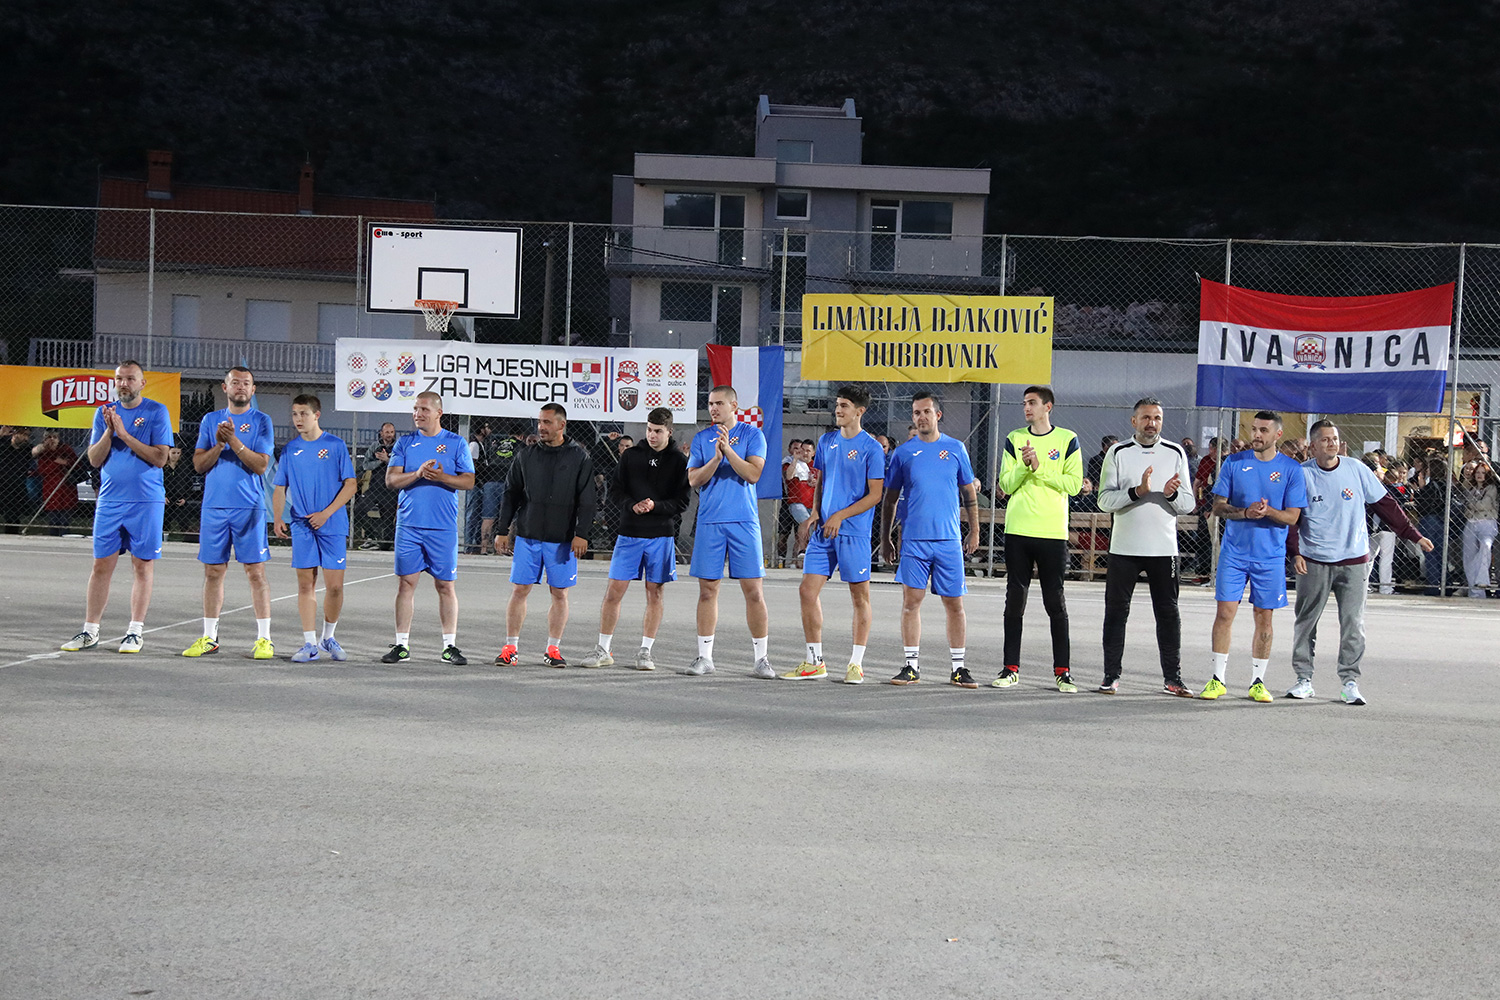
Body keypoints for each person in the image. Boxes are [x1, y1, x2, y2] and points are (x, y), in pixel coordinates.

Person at [1285, 421, 1432, 706]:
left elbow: (1386, 505)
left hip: (1354, 560)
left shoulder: (1356, 469)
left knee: (1353, 623)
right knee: (1306, 621)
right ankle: (1304, 679)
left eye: (1335, 438)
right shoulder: (1301, 475)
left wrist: (1413, 535)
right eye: (1325, 439)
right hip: (1314, 560)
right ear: (1312, 446)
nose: (1332, 443)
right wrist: (1295, 553)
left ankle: (1349, 681)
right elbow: (1292, 518)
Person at [60, 362, 173, 653]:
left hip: (145, 501)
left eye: (130, 379)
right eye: (119, 378)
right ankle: (90, 631)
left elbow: (160, 458)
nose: (123, 383)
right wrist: (109, 432)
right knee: (100, 565)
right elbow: (94, 459)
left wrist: (124, 434)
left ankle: (134, 632)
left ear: (142, 383)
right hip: (110, 501)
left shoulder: (156, 411)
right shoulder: (104, 412)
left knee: (142, 565)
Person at [780, 386, 885, 684]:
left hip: (853, 532)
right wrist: (816, 512)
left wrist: (840, 515)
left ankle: (856, 664)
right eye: (837, 404)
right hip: (824, 531)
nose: (838, 410)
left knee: (859, 596)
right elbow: (822, 481)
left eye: (844, 405)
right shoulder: (827, 441)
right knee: (807, 591)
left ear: (859, 411)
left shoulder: (871, 448)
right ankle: (815, 661)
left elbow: (875, 494)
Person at [1201, 411, 1307, 701]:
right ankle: (1217, 679)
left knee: (1264, 617)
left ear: (1278, 435)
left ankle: (1258, 682)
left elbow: (1293, 517)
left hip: (1270, 557)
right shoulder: (1234, 463)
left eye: (1263, 430)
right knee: (1225, 613)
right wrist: (1245, 512)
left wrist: (1268, 511)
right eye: (1254, 429)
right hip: (1234, 554)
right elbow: (1218, 506)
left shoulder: (1291, 469)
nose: (1257, 435)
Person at [1095, 397, 1196, 697]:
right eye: (1146, 417)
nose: (1152, 423)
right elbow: (1104, 501)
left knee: (1168, 614)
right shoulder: (1118, 452)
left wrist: (1171, 495)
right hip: (1124, 548)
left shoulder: (1175, 452)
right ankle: (1110, 676)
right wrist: (1136, 492)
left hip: (1163, 550)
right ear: (1134, 421)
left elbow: (1188, 504)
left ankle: (1173, 679)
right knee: (1116, 612)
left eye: (1157, 418)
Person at [880, 391, 980, 687]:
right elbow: (890, 500)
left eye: (926, 411)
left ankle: (959, 668)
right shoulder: (903, 454)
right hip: (914, 541)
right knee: (911, 602)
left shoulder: (956, 448)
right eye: (916, 412)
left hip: (948, 540)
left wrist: (974, 530)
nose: (921, 417)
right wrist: (886, 538)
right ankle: (911, 666)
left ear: (938, 415)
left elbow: (969, 494)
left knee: (954, 604)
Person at [579, 408, 689, 671]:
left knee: (655, 593)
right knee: (614, 591)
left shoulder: (678, 461)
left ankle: (645, 652)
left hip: (660, 535)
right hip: (629, 534)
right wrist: (632, 505)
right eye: (649, 430)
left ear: (669, 431)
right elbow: (616, 492)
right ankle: (603, 649)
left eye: (658, 431)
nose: (652, 435)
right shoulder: (630, 456)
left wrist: (655, 506)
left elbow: (682, 502)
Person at [992, 385, 1082, 692]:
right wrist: (1023, 465)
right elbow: (1006, 484)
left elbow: (1073, 485)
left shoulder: (1067, 439)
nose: (1027, 408)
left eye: (1032, 402)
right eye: (1024, 403)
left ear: (1048, 407)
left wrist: (1039, 468)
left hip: (1052, 531)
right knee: (1014, 601)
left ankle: (1063, 671)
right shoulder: (1015, 438)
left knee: (1054, 601)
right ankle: (1010, 668)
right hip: (1018, 529)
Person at [493, 403, 595, 668]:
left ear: (562, 425)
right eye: (539, 422)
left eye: (547, 422)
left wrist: (582, 534)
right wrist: (502, 530)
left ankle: (553, 649)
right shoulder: (526, 455)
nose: (541, 427)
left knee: (559, 593)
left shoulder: (579, 457)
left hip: (562, 539)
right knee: (519, 590)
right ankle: (510, 648)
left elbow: (587, 500)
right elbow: (510, 494)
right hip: (528, 536)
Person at [182, 367, 275, 659]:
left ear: (253, 389)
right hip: (214, 507)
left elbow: (261, 465)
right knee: (213, 572)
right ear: (225, 387)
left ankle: (264, 639)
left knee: (255, 572)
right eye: (235, 382)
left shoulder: (262, 420)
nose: (240, 387)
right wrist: (219, 443)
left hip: (249, 507)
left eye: (246, 383)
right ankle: (209, 637)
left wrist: (233, 441)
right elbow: (199, 464)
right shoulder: (210, 420)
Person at [683, 384, 775, 679]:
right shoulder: (702, 438)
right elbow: (694, 480)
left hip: (743, 521)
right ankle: (705, 657)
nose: (713, 408)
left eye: (719, 403)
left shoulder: (752, 435)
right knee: (707, 591)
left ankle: (761, 659)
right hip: (710, 521)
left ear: (734, 405)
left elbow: (753, 474)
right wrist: (714, 459)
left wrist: (728, 451)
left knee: (754, 591)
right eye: (710, 403)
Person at [382, 392, 475, 664]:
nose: (418, 414)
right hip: (409, 526)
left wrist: (442, 476)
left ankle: (449, 646)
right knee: (406, 584)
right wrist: (417, 474)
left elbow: (468, 481)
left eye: (424, 409)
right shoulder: (405, 442)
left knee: (445, 585)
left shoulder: (456, 443)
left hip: (442, 527)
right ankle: (401, 645)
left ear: (438, 413)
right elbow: (391, 480)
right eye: (415, 409)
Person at [271, 395, 358, 663]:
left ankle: (328, 637)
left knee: (335, 587)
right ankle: (309, 644)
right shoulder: (290, 450)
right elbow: (280, 488)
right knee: (305, 583)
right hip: (302, 525)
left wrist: (326, 513)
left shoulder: (335, 445)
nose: (298, 419)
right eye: (294, 414)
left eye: (304, 414)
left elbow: (351, 485)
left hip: (332, 524)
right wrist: (277, 517)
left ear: (316, 415)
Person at [357, 422, 399, 550]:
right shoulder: (375, 446)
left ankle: (385, 543)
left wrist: (388, 460)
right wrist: (380, 461)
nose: (389, 435)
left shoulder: (398, 447)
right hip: (375, 487)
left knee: (388, 521)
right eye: (387, 432)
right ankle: (372, 537)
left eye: (392, 432)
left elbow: (402, 465)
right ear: (381, 433)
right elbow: (366, 465)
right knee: (358, 509)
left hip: (391, 490)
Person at [1460, 461, 1498, 598]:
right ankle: (1475, 592)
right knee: (1469, 557)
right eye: (1477, 472)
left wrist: (1471, 504)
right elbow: (1464, 505)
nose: (1479, 475)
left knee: (1485, 546)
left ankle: (1482, 579)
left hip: (1487, 522)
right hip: (1471, 522)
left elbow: (1484, 505)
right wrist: (1472, 505)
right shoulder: (1471, 488)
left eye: (1483, 473)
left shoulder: (1491, 488)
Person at [31, 430, 79, 534]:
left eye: (55, 437)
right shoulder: (44, 452)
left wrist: (65, 462)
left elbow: (76, 464)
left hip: (66, 489)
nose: (52, 440)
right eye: (49, 437)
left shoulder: (66, 449)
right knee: (53, 519)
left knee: (65, 520)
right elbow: (43, 469)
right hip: (50, 488)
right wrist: (57, 463)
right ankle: (53, 534)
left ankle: (64, 535)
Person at [777, 439, 815, 568]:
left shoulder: (816, 466)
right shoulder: (790, 463)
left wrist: (817, 483)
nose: (805, 453)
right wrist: (795, 459)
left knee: (808, 528)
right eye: (803, 450)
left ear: (813, 453)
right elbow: (789, 476)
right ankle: (803, 551)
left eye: (808, 451)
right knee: (806, 522)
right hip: (796, 502)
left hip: (813, 504)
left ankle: (801, 557)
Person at [465, 421, 493, 554]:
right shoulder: (474, 444)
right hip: (475, 484)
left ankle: (473, 544)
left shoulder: (481, 444)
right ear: (481, 430)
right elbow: (472, 464)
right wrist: (484, 470)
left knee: (476, 515)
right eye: (487, 427)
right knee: (472, 515)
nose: (490, 430)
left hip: (480, 483)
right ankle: (468, 544)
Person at [163, 444, 201, 541]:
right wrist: (162, 496)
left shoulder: (184, 468)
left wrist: (185, 498)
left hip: (180, 498)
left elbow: (189, 485)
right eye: (173, 453)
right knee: (165, 521)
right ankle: (164, 537)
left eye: (178, 453)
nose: (175, 456)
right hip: (166, 498)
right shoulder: (162, 468)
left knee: (183, 521)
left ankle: (186, 538)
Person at [0, 426, 34, 532]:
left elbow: (36, 450)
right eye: (24, 434)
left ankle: (11, 534)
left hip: (15, 489)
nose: (26, 438)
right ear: (15, 433)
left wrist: (46, 443)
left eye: (28, 435)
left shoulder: (26, 449)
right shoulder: (3, 443)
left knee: (12, 518)